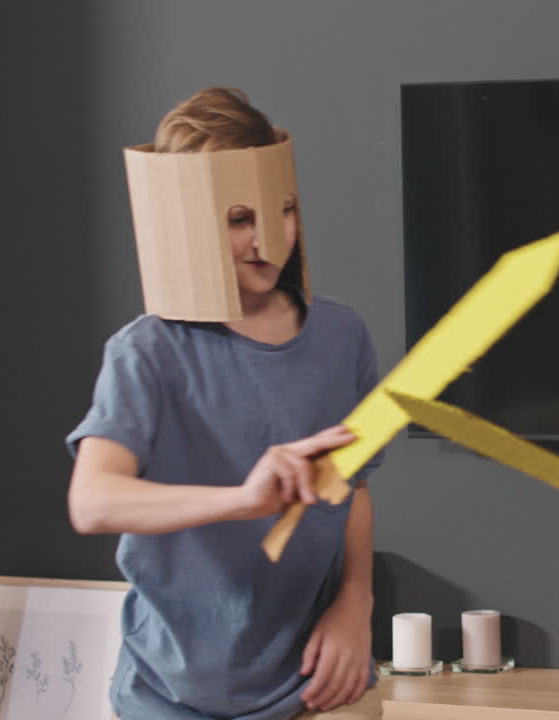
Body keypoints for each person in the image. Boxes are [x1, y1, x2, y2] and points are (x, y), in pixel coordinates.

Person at [67, 87, 382, 720]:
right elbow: (92, 502)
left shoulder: (341, 335)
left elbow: (352, 486)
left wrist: (356, 603)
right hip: (173, 693)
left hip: (313, 682)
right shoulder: (147, 351)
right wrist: (243, 500)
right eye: (239, 220)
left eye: (283, 210)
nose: (268, 239)